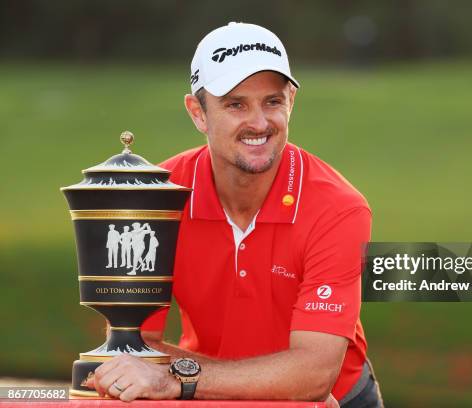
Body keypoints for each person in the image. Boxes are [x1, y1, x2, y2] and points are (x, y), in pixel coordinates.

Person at [87, 22, 383, 407]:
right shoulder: (153, 199)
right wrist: (252, 381)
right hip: (205, 396)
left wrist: (176, 376)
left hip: (337, 400)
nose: (259, 123)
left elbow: (314, 375)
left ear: (291, 100)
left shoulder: (339, 209)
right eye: (235, 104)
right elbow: (131, 346)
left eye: (272, 102)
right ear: (198, 113)